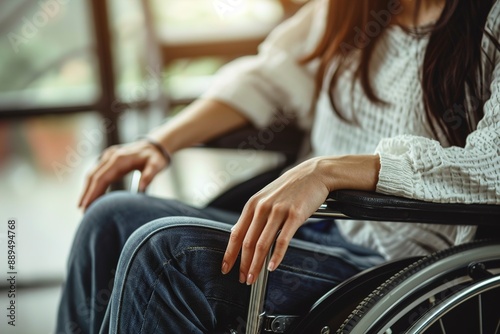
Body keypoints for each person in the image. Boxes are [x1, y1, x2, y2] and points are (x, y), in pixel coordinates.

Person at [56, 0, 500, 333]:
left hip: (396, 263)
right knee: (109, 220)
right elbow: (266, 78)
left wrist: (326, 171)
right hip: (310, 229)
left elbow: (490, 165)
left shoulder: (489, 22)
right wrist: (160, 142)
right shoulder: (352, 11)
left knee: (168, 255)